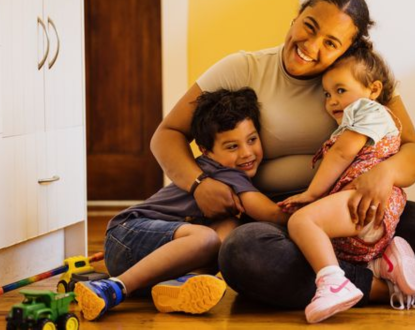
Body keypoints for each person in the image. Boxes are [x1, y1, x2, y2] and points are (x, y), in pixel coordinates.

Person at [151, 0, 415, 312]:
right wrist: (199, 183)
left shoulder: (355, 81)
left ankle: (359, 269)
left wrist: (385, 173)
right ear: (295, 18)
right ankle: (385, 286)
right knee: (242, 254)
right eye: (309, 27)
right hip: (271, 215)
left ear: (347, 49)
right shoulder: (243, 67)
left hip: (351, 207)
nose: (311, 47)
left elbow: (414, 152)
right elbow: (167, 133)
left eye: (330, 43)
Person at [75, 88, 289, 321]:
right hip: (128, 234)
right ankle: (114, 287)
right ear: (206, 151)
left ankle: (179, 284)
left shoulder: (229, 170)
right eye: (232, 147)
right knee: (206, 237)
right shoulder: (226, 173)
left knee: (229, 226)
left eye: (252, 140)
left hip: (153, 259)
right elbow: (272, 214)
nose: (247, 153)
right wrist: (315, 207)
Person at [277, 47, 415, 323]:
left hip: (366, 201)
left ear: (373, 89)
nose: (332, 100)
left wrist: (313, 194)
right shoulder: (362, 116)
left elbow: (342, 153)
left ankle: (334, 283)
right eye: (327, 94)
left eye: (341, 90)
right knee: (318, 237)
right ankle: (383, 264)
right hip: (371, 211)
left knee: (301, 223)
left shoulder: (367, 109)